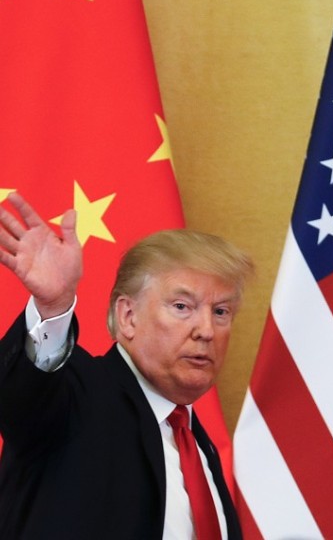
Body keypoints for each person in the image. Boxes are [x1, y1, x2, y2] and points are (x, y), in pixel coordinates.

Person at [0, 192, 253, 539]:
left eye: (221, 311)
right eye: (182, 307)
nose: (206, 330)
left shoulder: (195, 442)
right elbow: (21, 401)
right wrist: (53, 308)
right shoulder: (79, 395)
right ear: (128, 316)